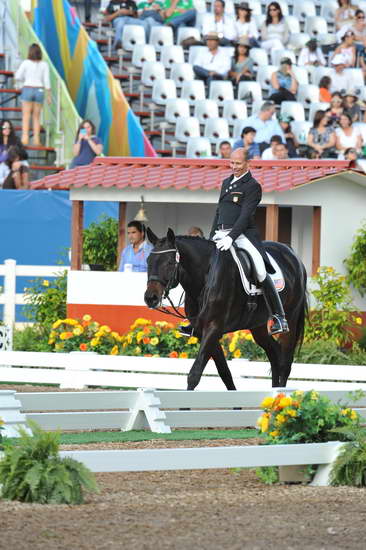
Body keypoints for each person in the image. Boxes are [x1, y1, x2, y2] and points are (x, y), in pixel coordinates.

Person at [211, 148, 288, 335]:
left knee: (260, 270)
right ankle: (196, 317)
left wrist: (231, 237)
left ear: (247, 163)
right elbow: (219, 211)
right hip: (221, 235)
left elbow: (245, 216)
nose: (234, 167)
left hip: (243, 236)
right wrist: (212, 234)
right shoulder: (226, 182)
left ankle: (279, 316)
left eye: (238, 163)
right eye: (232, 163)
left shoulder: (252, 186)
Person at [14, 43, 51, 146]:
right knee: (36, 117)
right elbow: (47, 80)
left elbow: (17, 76)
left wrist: (22, 80)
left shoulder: (26, 63)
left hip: (28, 88)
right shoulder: (44, 64)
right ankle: (36, 140)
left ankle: (25, 139)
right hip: (39, 90)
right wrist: (48, 95)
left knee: (26, 116)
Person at [0, 120, 27, 186]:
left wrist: (14, 153)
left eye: (9, 128)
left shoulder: (16, 140)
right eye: (4, 128)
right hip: (2, 165)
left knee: (23, 164)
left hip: (12, 164)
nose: (7, 129)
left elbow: (25, 155)